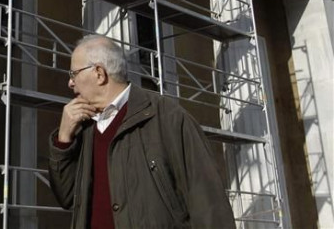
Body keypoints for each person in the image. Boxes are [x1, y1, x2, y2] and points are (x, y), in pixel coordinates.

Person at [48, 35, 235, 229]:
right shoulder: (83, 127)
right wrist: (64, 140)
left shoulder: (167, 117)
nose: (70, 83)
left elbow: (208, 203)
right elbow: (67, 198)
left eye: (74, 73)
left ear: (99, 73)